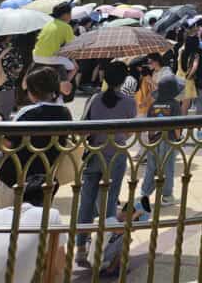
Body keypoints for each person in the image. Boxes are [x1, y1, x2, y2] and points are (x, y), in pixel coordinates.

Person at [75, 62, 138, 268]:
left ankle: (81, 247)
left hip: (94, 153)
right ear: (123, 80)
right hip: (116, 154)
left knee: (87, 200)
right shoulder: (129, 102)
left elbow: (83, 128)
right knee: (110, 200)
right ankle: (103, 247)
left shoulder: (95, 99)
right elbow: (129, 132)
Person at [0, 67, 74, 189]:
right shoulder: (65, 112)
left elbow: (7, 144)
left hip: (17, 176)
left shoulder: (26, 112)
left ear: (32, 91)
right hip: (47, 176)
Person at [138, 73, 183, 210]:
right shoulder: (175, 105)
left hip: (154, 141)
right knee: (168, 168)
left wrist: (151, 139)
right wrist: (178, 138)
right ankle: (167, 196)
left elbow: (150, 125)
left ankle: (145, 193)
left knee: (152, 167)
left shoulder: (154, 105)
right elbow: (177, 126)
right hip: (169, 140)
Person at [177, 34, 200, 114]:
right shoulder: (195, 55)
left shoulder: (180, 51)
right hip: (187, 81)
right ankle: (182, 122)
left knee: (179, 102)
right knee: (185, 104)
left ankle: (176, 121)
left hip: (178, 78)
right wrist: (189, 76)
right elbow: (195, 67)